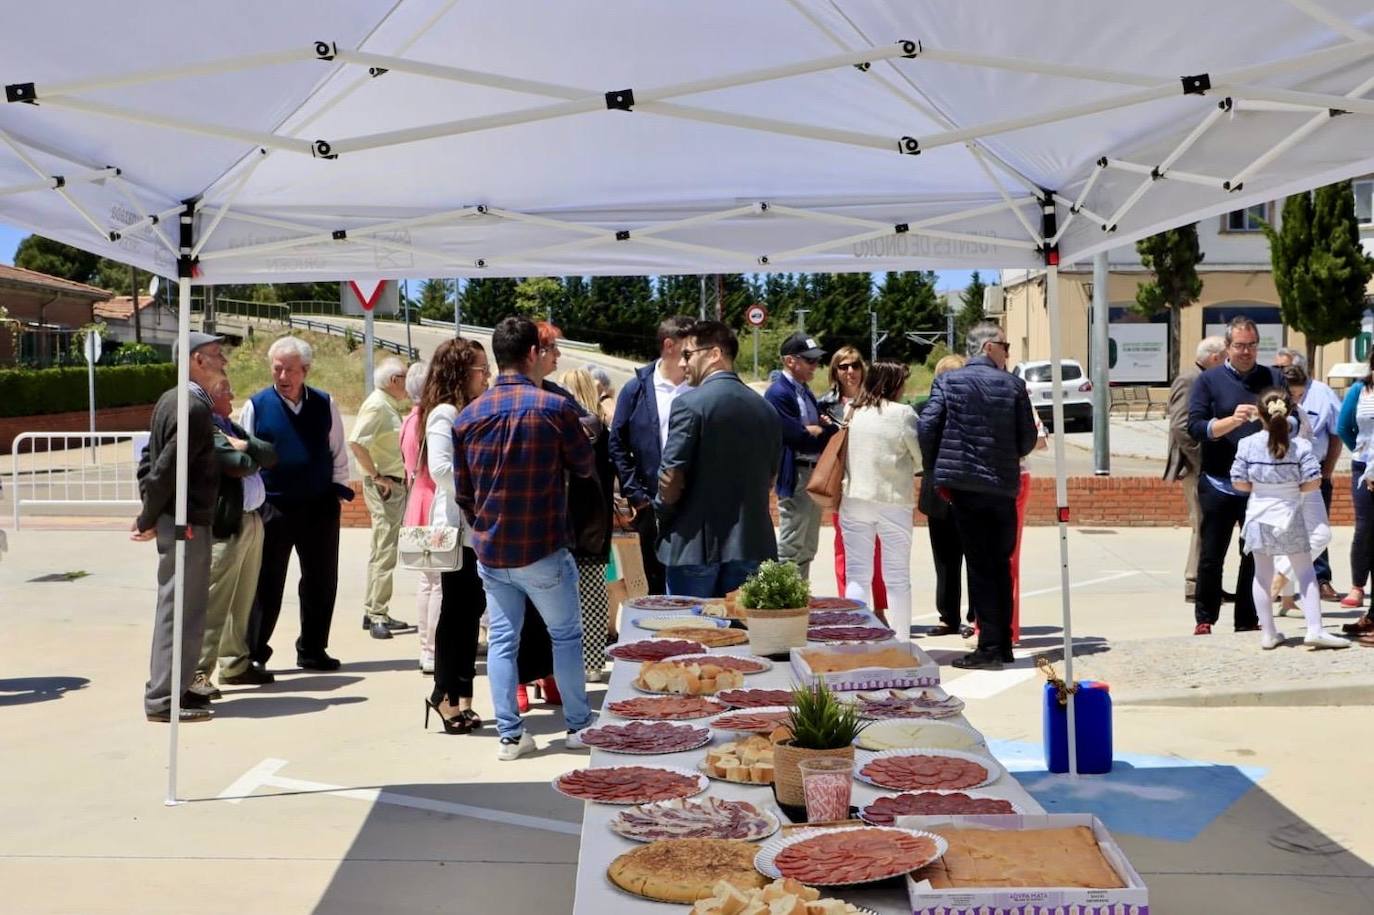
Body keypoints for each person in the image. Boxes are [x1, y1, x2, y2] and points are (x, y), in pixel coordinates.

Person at [453, 316, 597, 761]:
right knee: (566, 636)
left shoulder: (468, 416)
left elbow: (464, 493)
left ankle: (511, 737)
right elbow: (585, 466)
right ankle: (576, 725)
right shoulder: (554, 409)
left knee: (502, 641)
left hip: (494, 549)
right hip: (543, 545)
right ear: (533, 353)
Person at [918, 321, 1038, 670]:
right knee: (999, 565)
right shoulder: (1014, 385)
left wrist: (936, 466)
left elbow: (927, 426)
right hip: (1001, 487)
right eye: (1006, 345)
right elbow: (1027, 438)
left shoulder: (947, 381)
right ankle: (1000, 645)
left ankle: (989, 647)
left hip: (965, 486)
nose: (1008, 353)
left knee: (981, 566)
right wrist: (1003, 455)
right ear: (989, 347)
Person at [243, 335, 352, 672]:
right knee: (267, 582)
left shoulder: (324, 403)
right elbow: (244, 455)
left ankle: (312, 649)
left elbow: (338, 451)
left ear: (305, 370)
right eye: (277, 369)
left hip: (319, 506)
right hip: (274, 507)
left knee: (321, 580)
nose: (282, 376)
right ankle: (254, 652)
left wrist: (336, 490)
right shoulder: (257, 406)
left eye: (289, 369)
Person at [133, 331, 226, 722]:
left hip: (183, 517)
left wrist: (150, 509)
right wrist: (148, 516)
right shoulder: (190, 406)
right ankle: (163, 699)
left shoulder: (174, 401)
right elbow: (165, 468)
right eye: (216, 355)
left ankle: (178, 687)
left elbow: (148, 461)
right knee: (180, 609)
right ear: (196, 360)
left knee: (187, 608)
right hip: (185, 521)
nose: (224, 362)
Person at [657, 320, 783, 598]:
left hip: (694, 544)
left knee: (692, 633)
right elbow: (770, 479)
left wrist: (663, 514)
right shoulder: (766, 409)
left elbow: (671, 477)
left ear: (714, 354)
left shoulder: (690, 404)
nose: (682, 363)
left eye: (688, 354)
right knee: (744, 636)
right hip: (752, 543)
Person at [1230, 388, 1350, 650]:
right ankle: (1315, 629)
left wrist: (1262, 489)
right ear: (1290, 413)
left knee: (1261, 576)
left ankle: (1269, 633)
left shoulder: (1247, 444)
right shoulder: (1301, 446)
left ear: (1260, 414)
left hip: (1258, 515)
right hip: (1289, 514)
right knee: (1306, 572)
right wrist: (1290, 489)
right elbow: (1313, 482)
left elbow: (1238, 482)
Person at [1186, 317, 1282, 635]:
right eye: (1240, 345)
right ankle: (1205, 617)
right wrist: (1229, 421)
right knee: (1212, 555)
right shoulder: (1208, 381)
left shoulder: (1272, 378)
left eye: (1252, 345)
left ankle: (1247, 618)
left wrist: (1273, 419)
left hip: (1259, 485)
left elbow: (1292, 422)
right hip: (1218, 482)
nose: (1246, 352)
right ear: (1227, 347)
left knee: (1255, 554)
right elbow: (1195, 427)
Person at [419, 339, 490, 734]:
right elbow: (441, 469)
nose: (486, 376)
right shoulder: (444, 414)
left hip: (472, 525)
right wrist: (485, 486)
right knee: (457, 613)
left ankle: (461, 693)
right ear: (461, 371)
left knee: (468, 611)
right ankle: (445, 694)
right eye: (480, 368)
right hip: (458, 527)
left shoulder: (467, 410)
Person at [190, 376, 278, 698]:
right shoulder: (207, 429)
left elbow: (269, 455)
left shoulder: (232, 427)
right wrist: (246, 452)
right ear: (211, 399)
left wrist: (246, 447)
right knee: (215, 603)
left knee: (242, 598)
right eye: (227, 392)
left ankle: (235, 663)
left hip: (252, 520)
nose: (233, 395)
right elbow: (237, 463)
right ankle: (199, 671)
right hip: (227, 524)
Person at [608, 315, 695, 595]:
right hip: (651, 504)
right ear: (669, 345)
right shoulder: (637, 388)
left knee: (693, 581)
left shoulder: (701, 386)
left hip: (695, 502)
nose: (695, 355)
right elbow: (617, 444)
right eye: (690, 348)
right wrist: (637, 496)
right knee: (653, 582)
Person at [839, 361, 920, 641]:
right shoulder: (903, 413)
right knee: (897, 577)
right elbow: (920, 457)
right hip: (893, 499)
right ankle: (902, 643)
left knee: (857, 575)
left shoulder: (852, 410)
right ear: (894, 384)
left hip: (854, 498)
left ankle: (857, 639)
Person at [348, 356, 415, 640]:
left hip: (394, 485)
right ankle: (376, 612)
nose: (408, 384)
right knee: (384, 550)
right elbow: (356, 442)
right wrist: (376, 475)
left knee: (384, 549)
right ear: (394, 380)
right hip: (384, 487)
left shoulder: (387, 405)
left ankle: (376, 609)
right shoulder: (377, 405)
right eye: (404, 377)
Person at [818, 346, 888, 617]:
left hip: (872, 485)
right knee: (843, 549)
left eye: (855, 366)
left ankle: (880, 609)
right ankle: (849, 607)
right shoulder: (825, 404)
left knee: (876, 550)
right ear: (835, 371)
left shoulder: (876, 401)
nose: (850, 372)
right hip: (842, 485)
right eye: (843, 366)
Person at [561, 367, 617, 682]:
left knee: (564, 598)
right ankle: (594, 662)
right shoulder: (604, 433)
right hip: (597, 520)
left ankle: (568, 661)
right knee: (594, 593)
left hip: (566, 521)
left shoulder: (564, 431)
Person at [764, 332, 835, 582]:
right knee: (791, 545)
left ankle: (799, 597)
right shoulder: (778, 393)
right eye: (810, 361)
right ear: (790, 361)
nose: (815, 366)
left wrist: (819, 428)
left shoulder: (803, 391)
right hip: (795, 473)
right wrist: (816, 430)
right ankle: (784, 600)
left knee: (807, 546)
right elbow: (795, 435)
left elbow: (813, 432)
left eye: (816, 361)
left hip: (812, 472)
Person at [1274, 347, 1343, 601]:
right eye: (1277, 368)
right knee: (1284, 531)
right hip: (1282, 477)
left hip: (1314, 474)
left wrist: (1327, 471)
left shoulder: (1323, 394)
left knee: (1317, 531)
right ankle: (1286, 592)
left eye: (1285, 368)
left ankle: (1320, 578)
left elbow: (1337, 433)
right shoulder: (1275, 394)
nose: (1280, 373)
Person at [1166, 337, 1227, 604]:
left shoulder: (1210, 380)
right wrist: (1201, 459)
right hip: (1196, 467)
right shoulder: (1191, 380)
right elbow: (1181, 425)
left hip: (1213, 466)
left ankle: (1209, 582)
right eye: (1226, 356)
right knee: (1202, 523)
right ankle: (1195, 583)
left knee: (1212, 524)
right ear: (1214, 358)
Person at [919, 354, 968, 637]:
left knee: (951, 560)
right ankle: (956, 617)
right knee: (951, 560)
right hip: (946, 493)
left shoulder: (927, 410)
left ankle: (956, 617)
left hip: (947, 491)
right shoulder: (926, 409)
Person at [400, 360, 440, 674]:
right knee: (438, 583)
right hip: (432, 502)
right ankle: (433, 648)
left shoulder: (408, 421)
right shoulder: (429, 421)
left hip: (417, 502)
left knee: (428, 582)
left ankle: (427, 647)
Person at [1335, 351, 1374, 637]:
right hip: (1365, 468)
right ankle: (1358, 585)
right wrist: (1362, 455)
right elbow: (1343, 428)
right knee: (1365, 529)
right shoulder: (1360, 389)